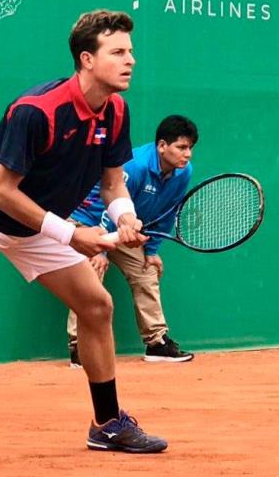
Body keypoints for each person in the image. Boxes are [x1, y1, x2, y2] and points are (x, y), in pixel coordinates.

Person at [0, 10, 168, 477]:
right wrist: (71, 234)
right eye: (118, 52)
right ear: (87, 59)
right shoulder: (36, 110)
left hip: (37, 226)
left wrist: (125, 217)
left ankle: (106, 424)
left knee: (97, 307)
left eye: (131, 51)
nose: (131, 60)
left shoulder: (116, 110)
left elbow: (112, 184)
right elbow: (2, 191)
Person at [66, 115, 199, 369]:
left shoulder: (183, 173)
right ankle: (79, 346)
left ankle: (156, 342)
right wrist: (101, 250)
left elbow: (168, 211)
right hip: (87, 221)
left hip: (127, 229)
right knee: (90, 274)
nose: (188, 154)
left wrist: (151, 250)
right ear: (162, 146)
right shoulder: (135, 166)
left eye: (190, 148)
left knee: (146, 272)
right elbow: (107, 204)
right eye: (181, 147)